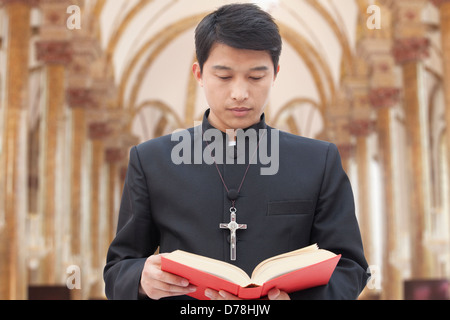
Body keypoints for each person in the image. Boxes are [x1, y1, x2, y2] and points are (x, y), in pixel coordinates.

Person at [104, 3, 369, 300]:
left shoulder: (318, 161)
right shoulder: (151, 161)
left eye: (256, 77)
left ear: (275, 74)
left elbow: (351, 267)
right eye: (224, 76)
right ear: (199, 74)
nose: (240, 93)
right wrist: (141, 278)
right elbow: (117, 270)